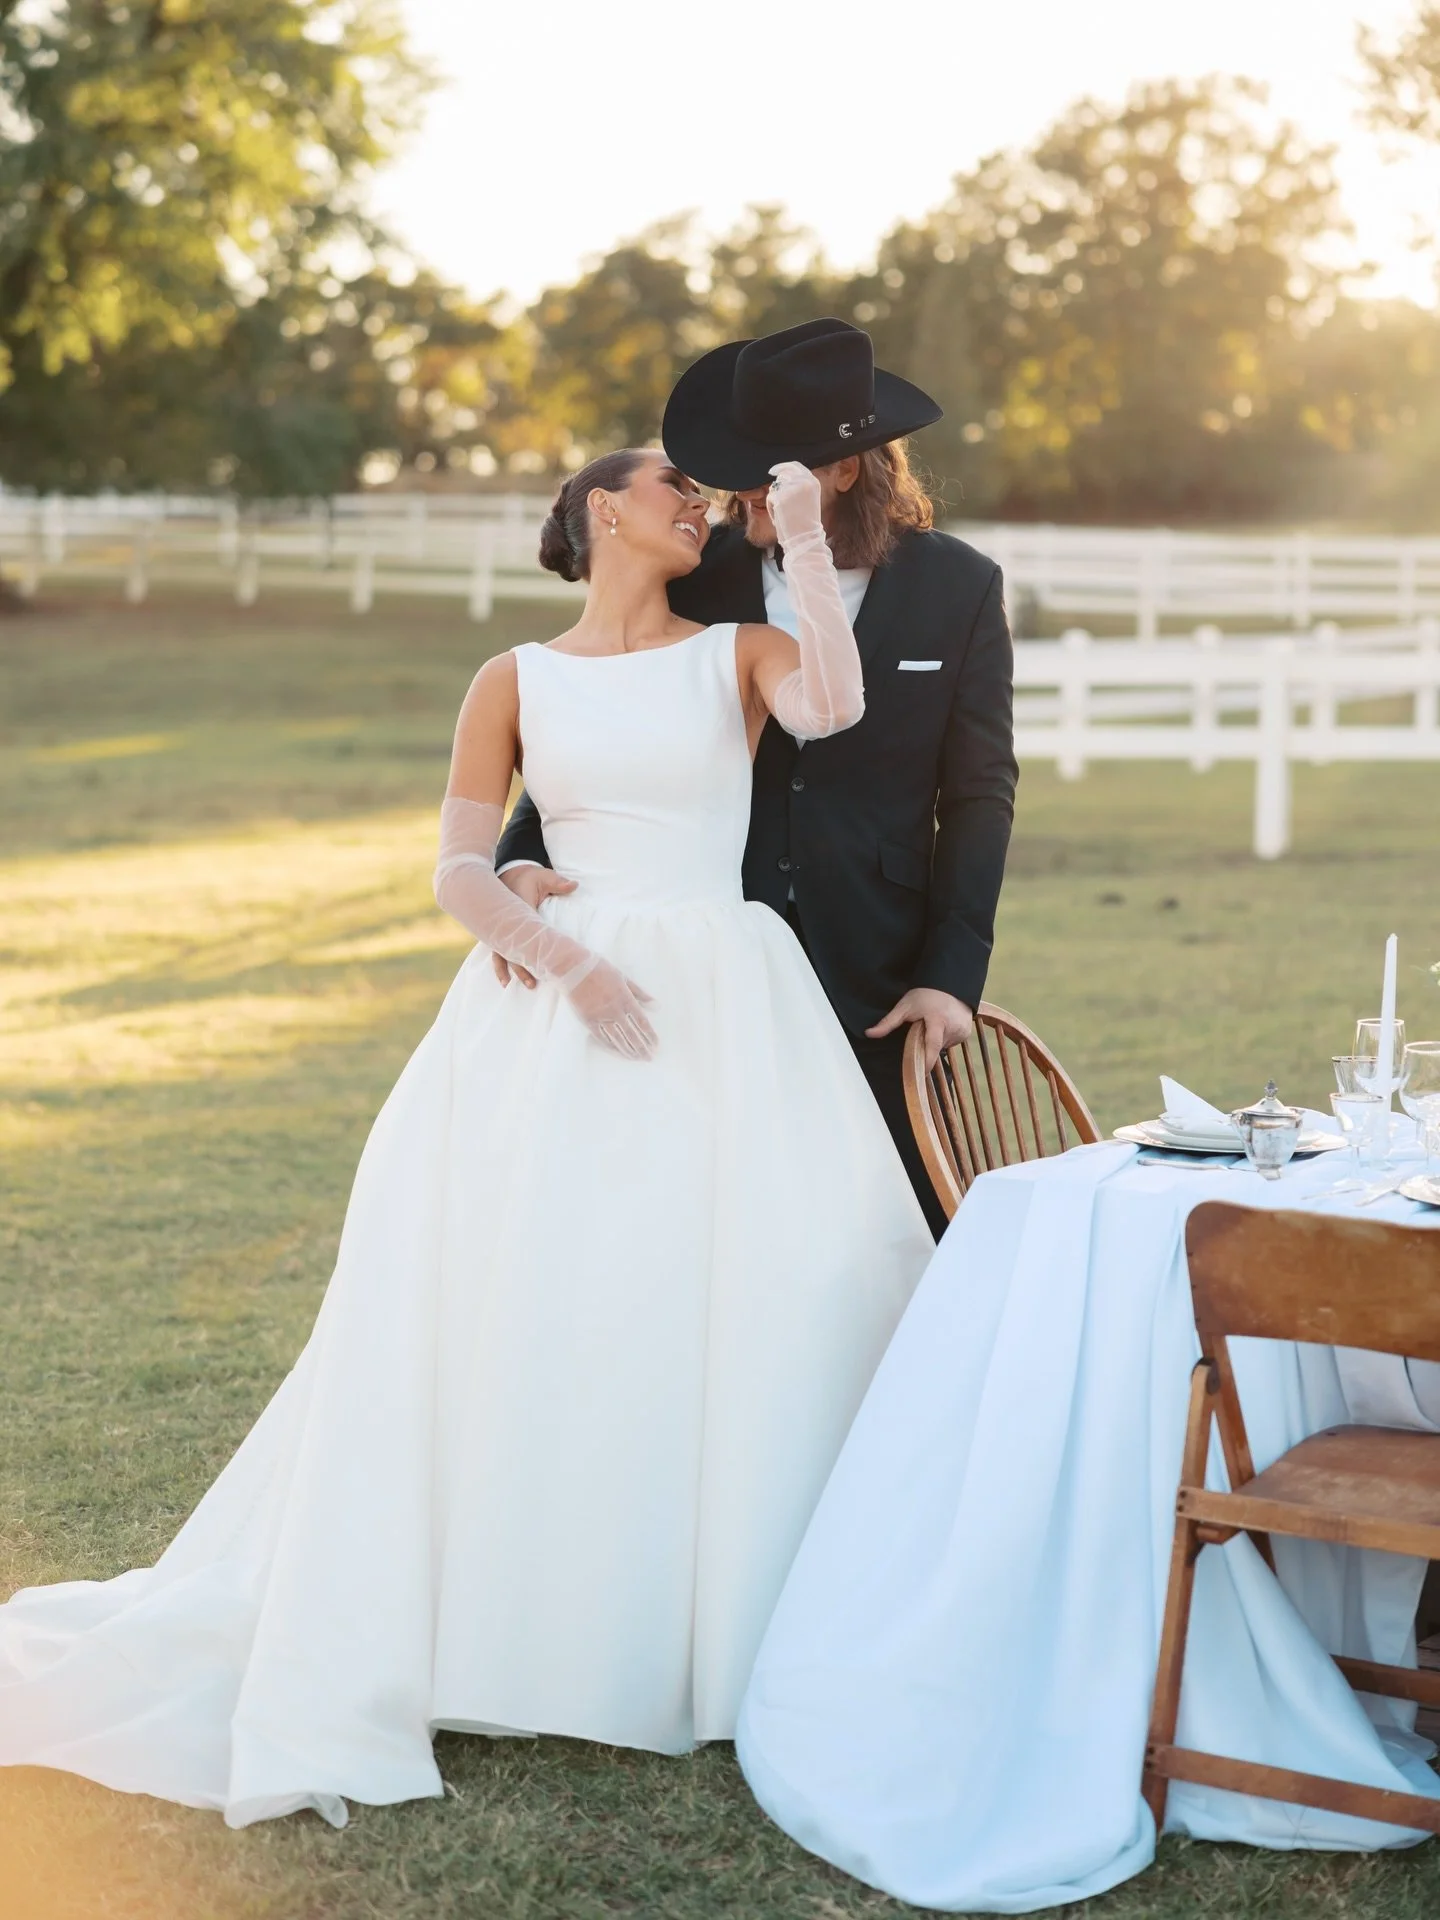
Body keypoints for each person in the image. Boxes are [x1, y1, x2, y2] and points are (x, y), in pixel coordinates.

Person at [0, 454, 932, 1829]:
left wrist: (797, 534)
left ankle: (719, 1626)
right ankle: (521, 1617)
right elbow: (451, 867)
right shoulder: (513, 678)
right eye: (670, 487)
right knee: (540, 1298)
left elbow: (838, 706)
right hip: (559, 1011)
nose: (694, 504)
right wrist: (558, 952)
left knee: (737, 1294)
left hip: (728, 996)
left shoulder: (740, 651)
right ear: (601, 513)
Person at [496, 317, 1018, 1238]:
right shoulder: (700, 578)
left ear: (842, 471)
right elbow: (605, 721)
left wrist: (951, 974)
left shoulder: (960, 588)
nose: (734, 492)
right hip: (709, 949)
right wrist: (517, 856)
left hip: (877, 962)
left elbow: (979, 793)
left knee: (889, 1215)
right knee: (714, 1210)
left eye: (762, 469)